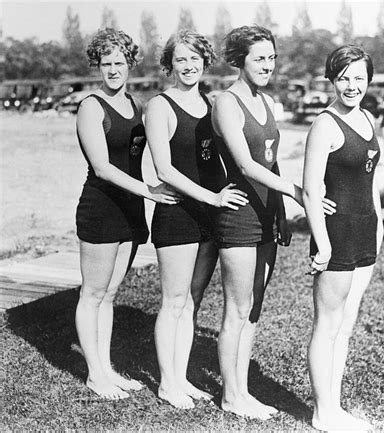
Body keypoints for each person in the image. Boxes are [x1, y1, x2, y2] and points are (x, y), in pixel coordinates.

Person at [212, 25, 336, 420]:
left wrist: (281, 210)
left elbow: (270, 158)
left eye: (272, 58)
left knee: (254, 308)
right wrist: (298, 191)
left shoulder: (266, 102)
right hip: (238, 214)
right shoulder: (226, 103)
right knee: (237, 307)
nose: (268, 65)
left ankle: (243, 391)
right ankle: (230, 395)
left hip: (267, 214)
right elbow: (246, 164)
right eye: (259, 58)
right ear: (239, 61)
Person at [75, 28, 181, 400]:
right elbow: (102, 167)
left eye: (119, 62)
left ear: (130, 64)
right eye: (106, 64)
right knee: (93, 293)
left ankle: (106, 369)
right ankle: (94, 374)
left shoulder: (136, 106)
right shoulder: (91, 106)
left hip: (131, 209)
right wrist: (149, 191)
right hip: (102, 207)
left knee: (110, 294)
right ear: (97, 66)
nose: (113, 70)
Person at [145, 30, 249, 410]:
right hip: (176, 213)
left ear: (205, 63)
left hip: (209, 214)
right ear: (169, 65)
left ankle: (182, 377)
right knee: (173, 301)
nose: (188, 66)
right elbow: (164, 169)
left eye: (194, 59)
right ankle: (167, 383)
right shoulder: (160, 106)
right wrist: (213, 197)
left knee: (191, 301)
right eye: (180, 60)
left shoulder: (210, 103)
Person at [302, 45, 384, 431]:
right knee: (328, 324)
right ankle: (322, 413)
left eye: (359, 78)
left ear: (369, 80)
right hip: (335, 235)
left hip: (364, 230)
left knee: (347, 323)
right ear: (331, 80)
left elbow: (371, 181)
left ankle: (334, 408)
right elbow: (309, 189)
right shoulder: (325, 124)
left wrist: (379, 225)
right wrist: (323, 242)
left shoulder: (367, 118)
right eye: (344, 78)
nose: (352, 86)